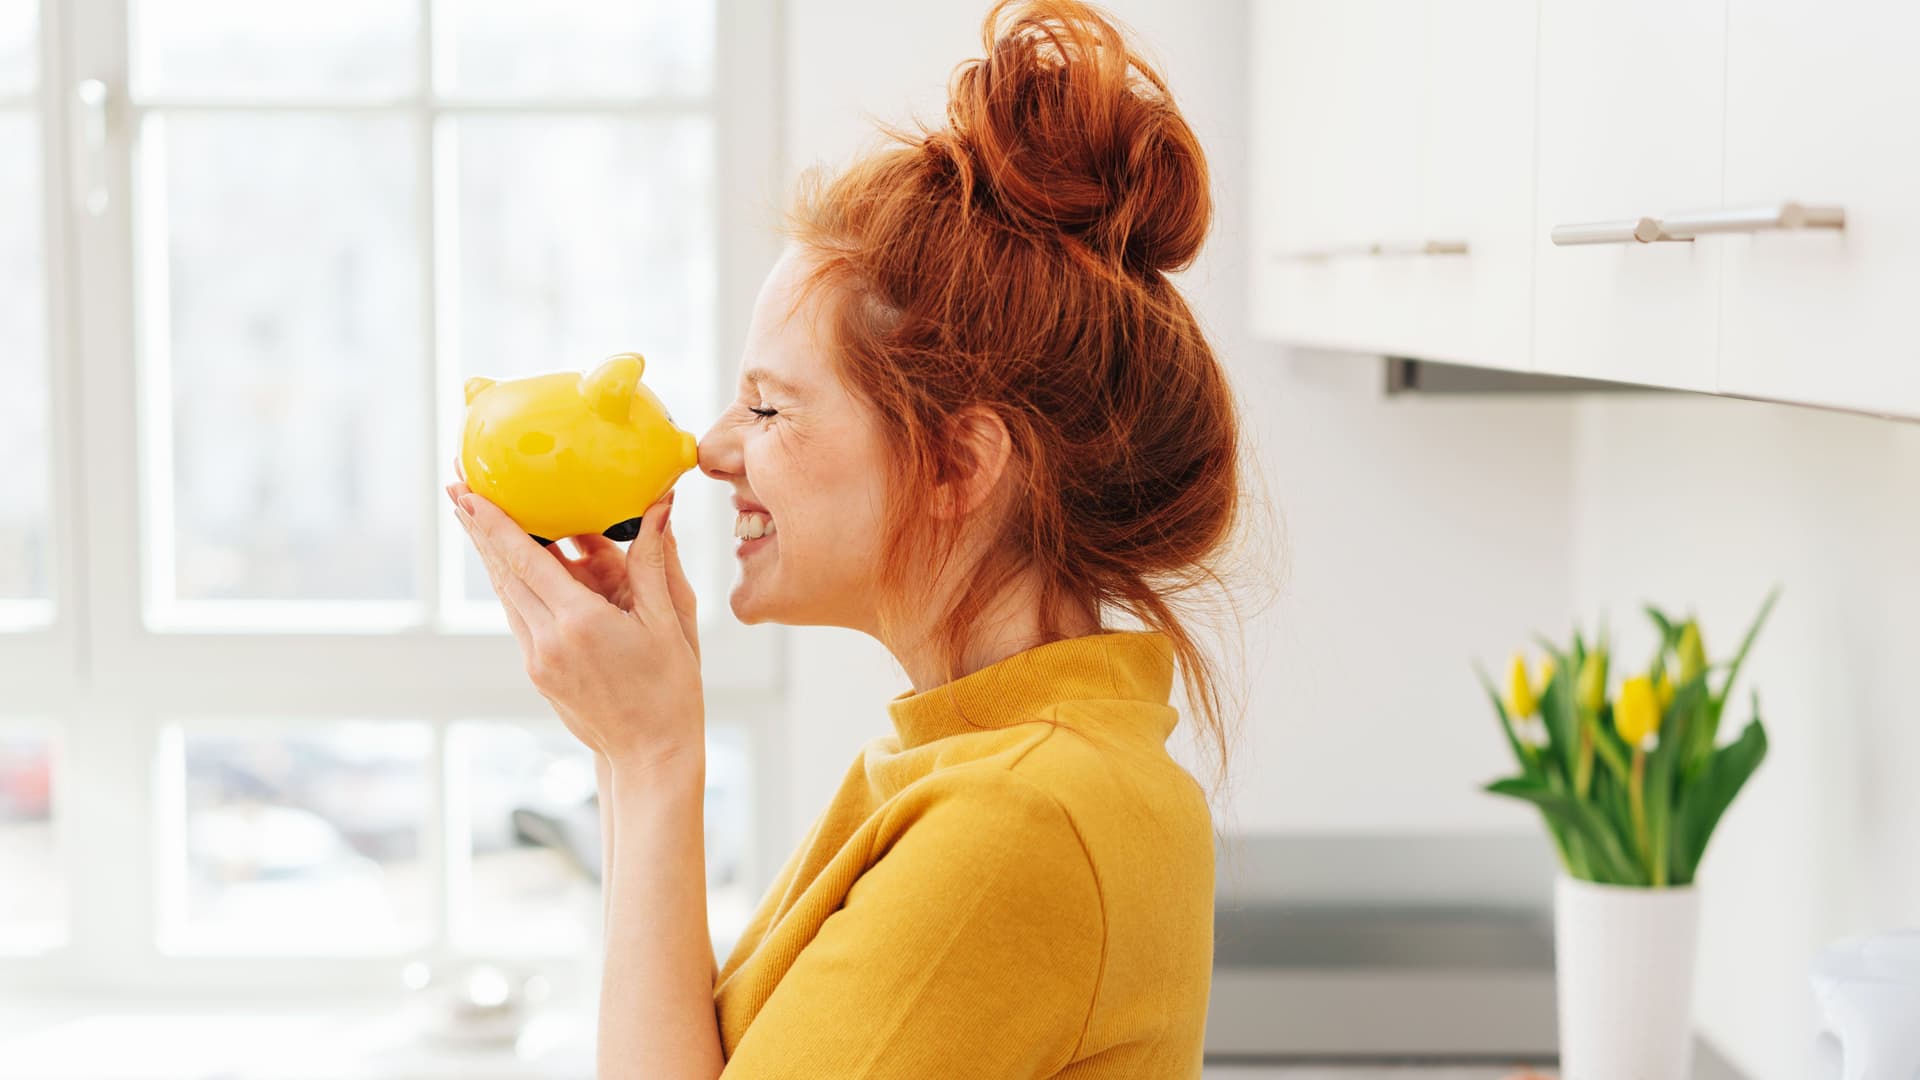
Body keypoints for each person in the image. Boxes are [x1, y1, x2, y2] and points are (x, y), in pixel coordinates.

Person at [448, 0, 1249, 1075]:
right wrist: (625, 746)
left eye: (768, 407)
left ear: (958, 464)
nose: (712, 449)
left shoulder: (1017, 818)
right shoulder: (975, 763)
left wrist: (652, 756)